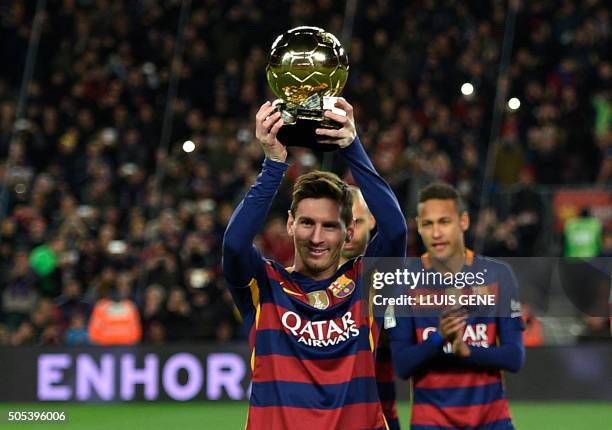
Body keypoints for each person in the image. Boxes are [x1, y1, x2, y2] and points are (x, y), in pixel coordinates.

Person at [222, 98, 407, 430]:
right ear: (290, 223)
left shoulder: (365, 283)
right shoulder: (265, 285)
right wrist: (274, 163)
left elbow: (396, 229)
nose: (317, 237)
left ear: (348, 231)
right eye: (307, 223)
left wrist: (351, 145)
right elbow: (234, 245)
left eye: (330, 226)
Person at [389, 183, 525, 429]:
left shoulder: (498, 275)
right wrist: (438, 338)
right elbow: (402, 364)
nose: (436, 233)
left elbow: (514, 357)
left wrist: (468, 352)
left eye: (444, 222)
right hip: (431, 423)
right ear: (418, 226)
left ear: (463, 221)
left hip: (491, 421)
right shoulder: (404, 283)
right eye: (428, 224)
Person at [339, 186, 400, 430]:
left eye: (359, 222)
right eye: (344, 224)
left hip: (380, 413)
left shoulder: (385, 276)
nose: (351, 234)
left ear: (373, 220)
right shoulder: (308, 282)